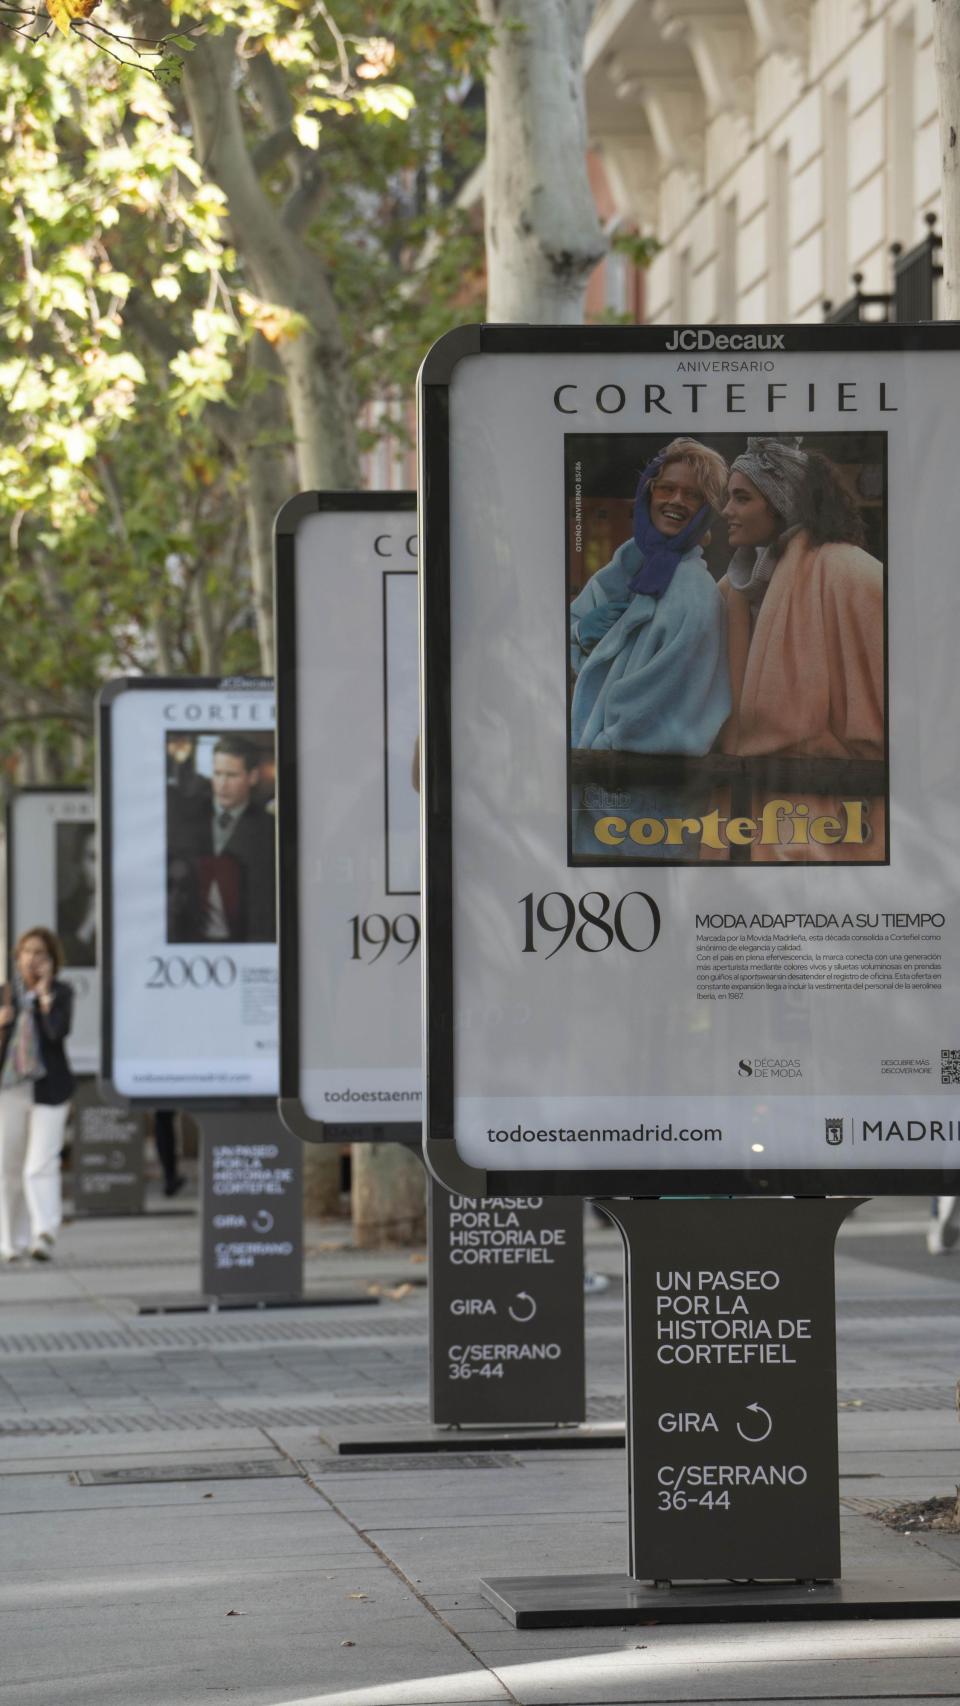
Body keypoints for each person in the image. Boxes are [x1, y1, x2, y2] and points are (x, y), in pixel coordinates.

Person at [718, 436, 884, 861]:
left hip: (840, 812)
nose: (726, 512)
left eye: (741, 498)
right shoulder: (731, 589)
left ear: (779, 502)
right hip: (744, 808)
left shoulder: (850, 573)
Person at [569, 437, 731, 857]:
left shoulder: (696, 593)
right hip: (602, 794)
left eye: (693, 495)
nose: (677, 500)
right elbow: (573, 628)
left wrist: (597, 750)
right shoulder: (627, 564)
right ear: (648, 493)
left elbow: (660, 702)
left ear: (707, 511)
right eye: (667, 488)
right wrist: (581, 635)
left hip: (645, 802)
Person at [0, 928, 74, 1263]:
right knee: (8, 1166)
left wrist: (44, 999)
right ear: (17, 959)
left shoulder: (61, 993)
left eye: (41, 953)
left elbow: (57, 1034)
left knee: (39, 1164)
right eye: (27, 952)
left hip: (50, 1090)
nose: (33, 959)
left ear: (52, 960)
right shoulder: (5, 996)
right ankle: (9, 1240)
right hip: (11, 1090)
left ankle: (43, 1233)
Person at [169, 736, 276, 943]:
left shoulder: (269, 829)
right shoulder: (186, 819)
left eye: (231, 775)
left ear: (252, 777)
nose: (222, 784)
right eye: (217, 774)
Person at [57, 824, 97, 968]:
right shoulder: (62, 912)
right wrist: (87, 925)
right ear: (80, 862)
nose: (102, 867)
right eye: (93, 857)